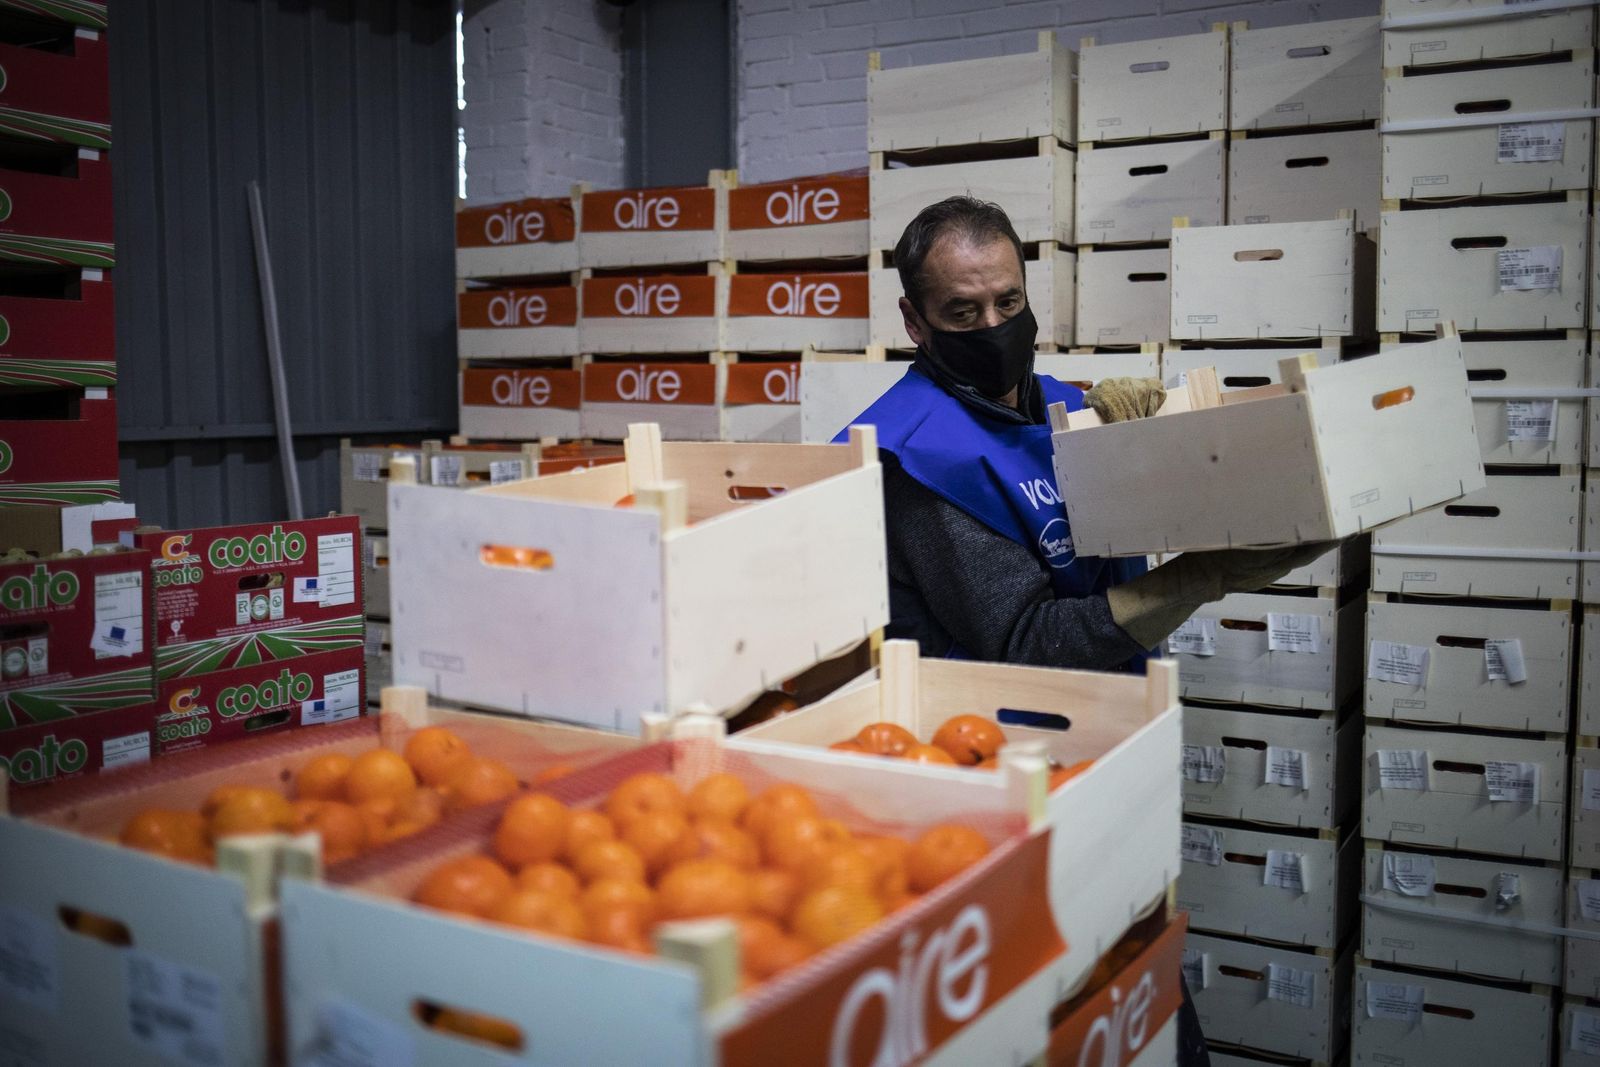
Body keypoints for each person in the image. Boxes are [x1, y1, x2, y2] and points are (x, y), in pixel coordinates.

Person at [841, 196, 1335, 1067]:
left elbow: (1121, 522)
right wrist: (1196, 579)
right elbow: (1026, 645)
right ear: (915, 322)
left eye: (1008, 302)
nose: (993, 327)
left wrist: (1162, 459)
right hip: (993, 787)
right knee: (1071, 1013)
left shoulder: (1057, 406)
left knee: (1139, 995)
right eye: (962, 312)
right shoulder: (919, 458)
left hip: (1102, 755)